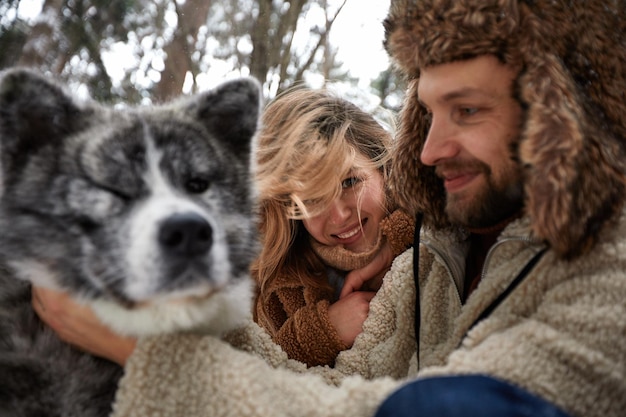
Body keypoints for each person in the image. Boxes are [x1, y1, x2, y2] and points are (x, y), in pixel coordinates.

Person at [35, 0, 626, 416]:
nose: (429, 149)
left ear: (560, 111)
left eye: (467, 110)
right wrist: (182, 316)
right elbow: (336, 387)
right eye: (428, 113)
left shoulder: (607, 265)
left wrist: (158, 359)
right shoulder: (430, 256)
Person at [251, 87, 414, 367]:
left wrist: (402, 241)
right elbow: (259, 375)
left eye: (350, 182)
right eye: (312, 200)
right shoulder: (280, 285)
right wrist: (324, 331)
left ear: (383, 168)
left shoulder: (433, 237)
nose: (339, 216)